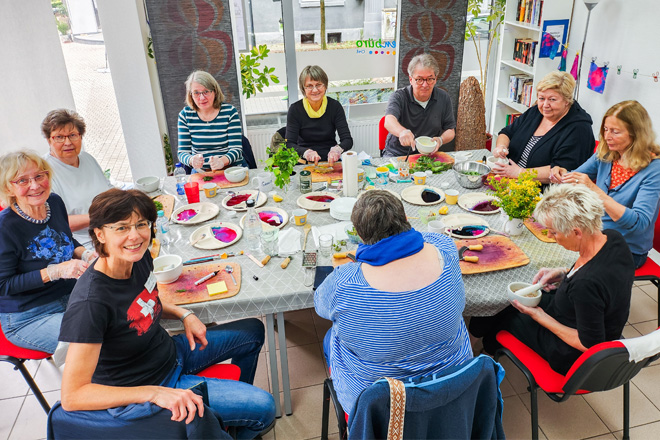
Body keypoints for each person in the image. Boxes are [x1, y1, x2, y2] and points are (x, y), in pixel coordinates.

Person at [58, 189, 275, 439]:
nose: (135, 235)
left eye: (141, 224)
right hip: (151, 384)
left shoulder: (137, 258)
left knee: (253, 331)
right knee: (266, 408)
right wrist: (154, 393)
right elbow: (73, 396)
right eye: (121, 228)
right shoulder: (90, 303)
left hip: (170, 352)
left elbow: (146, 301)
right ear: (99, 234)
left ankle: (225, 417)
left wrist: (184, 314)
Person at [315, 190, 473, 416]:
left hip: (381, 411)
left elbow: (320, 306)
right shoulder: (444, 246)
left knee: (332, 335)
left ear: (360, 236)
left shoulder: (345, 282)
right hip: (451, 392)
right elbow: (424, 240)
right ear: (407, 220)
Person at [469, 184, 634, 375]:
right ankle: (481, 347)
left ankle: (483, 356)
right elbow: (597, 277)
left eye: (554, 232)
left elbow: (589, 344)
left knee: (503, 306)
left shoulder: (586, 285)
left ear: (577, 232)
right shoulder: (613, 239)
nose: (550, 236)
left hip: (568, 353)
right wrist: (563, 273)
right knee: (509, 299)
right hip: (576, 314)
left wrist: (540, 317)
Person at [0, 151, 94, 354]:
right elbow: (3, 285)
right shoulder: (4, 227)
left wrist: (85, 253)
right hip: (30, 315)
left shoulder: (54, 202)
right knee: (91, 346)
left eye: (39, 176)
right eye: (22, 180)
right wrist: (53, 272)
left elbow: (66, 240)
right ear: (9, 187)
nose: (35, 185)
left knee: (117, 324)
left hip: (70, 294)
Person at [551, 100, 660, 269]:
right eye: (605, 129)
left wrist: (595, 190)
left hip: (626, 249)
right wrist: (562, 173)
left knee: (562, 269)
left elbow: (639, 224)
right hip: (594, 234)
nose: (607, 136)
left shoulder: (654, 169)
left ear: (636, 134)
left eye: (615, 132)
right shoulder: (608, 152)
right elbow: (575, 177)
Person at [492, 71, 594, 183]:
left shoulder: (579, 129)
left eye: (552, 99)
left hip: (542, 191)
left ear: (567, 101)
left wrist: (520, 173)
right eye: (541, 98)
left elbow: (563, 171)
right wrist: (501, 146)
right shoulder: (536, 111)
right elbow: (507, 132)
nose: (545, 105)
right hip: (510, 178)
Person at [42, 109, 114, 248]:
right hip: (83, 244)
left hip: (110, 228)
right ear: (48, 140)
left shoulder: (87, 158)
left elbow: (108, 188)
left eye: (73, 135)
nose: (68, 142)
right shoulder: (44, 172)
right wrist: (101, 217)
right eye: (59, 137)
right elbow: (56, 222)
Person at [383, 53, 456, 157]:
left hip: (428, 155)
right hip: (398, 154)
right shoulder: (399, 96)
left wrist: (441, 139)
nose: (425, 85)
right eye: (419, 79)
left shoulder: (443, 98)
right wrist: (402, 132)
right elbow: (389, 121)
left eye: (430, 79)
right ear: (411, 79)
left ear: (435, 79)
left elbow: (450, 130)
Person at [285, 65, 353, 164]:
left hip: (331, 160)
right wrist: (306, 153)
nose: (315, 90)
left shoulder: (335, 106)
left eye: (319, 85)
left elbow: (347, 140)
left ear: (325, 86)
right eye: (309, 86)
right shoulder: (295, 109)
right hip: (304, 161)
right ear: (303, 89)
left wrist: (337, 150)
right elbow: (289, 144)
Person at [178, 70, 244, 172]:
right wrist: (191, 160)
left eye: (206, 92)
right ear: (190, 95)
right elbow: (182, 153)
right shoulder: (185, 116)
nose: (201, 97)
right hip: (201, 171)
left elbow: (236, 150)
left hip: (230, 169)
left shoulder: (230, 112)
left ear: (215, 91)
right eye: (196, 93)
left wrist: (222, 161)